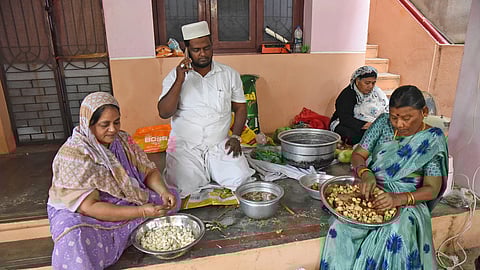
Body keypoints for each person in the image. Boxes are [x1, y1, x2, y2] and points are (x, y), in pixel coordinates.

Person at [47, 92, 179, 270]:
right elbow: (89, 207)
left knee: (173, 198)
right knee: (74, 237)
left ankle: (133, 224)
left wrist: (163, 191)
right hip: (84, 210)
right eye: (105, 124)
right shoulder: (74, 155)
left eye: (116, 122)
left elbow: (147, 170)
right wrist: (141, 212)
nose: (113, 129)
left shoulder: (123, 140)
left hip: (122, 198)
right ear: (88, 124)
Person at [321, 85, 449, 269]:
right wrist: (366, 174)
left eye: (406, 118)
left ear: (424, 112)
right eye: (394, 117)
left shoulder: (432, 140)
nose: (399, 124)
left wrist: (397, 199)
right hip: (371, 190)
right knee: (341, 228)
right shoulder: (382, 123)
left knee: (394, 233)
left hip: (408, 201)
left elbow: (432, 188)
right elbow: (358, 155)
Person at [157, 21, 254, 198]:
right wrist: (180, 80)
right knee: (184, 187)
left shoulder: (228, 74)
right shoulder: (174, 76)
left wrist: (235, 136)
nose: (203, 54)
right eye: (196, 50)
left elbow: (240, 108)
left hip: (219, 143)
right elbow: (164, 112)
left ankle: (211, 169)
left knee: (240, 180)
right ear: (186, 50)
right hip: (184, 145)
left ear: (212, 46)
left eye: (207, 48)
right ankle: (202, 172)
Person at [330, 66, 389, 145]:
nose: (370, 86)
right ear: (357, 81)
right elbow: (345, 118)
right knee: (354, 136)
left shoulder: (377, 92)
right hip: (347, 123)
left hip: (372, 123)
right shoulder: (347, 95)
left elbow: (386, 107)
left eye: (373, 83)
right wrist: (366, 125)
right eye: (367, 83)